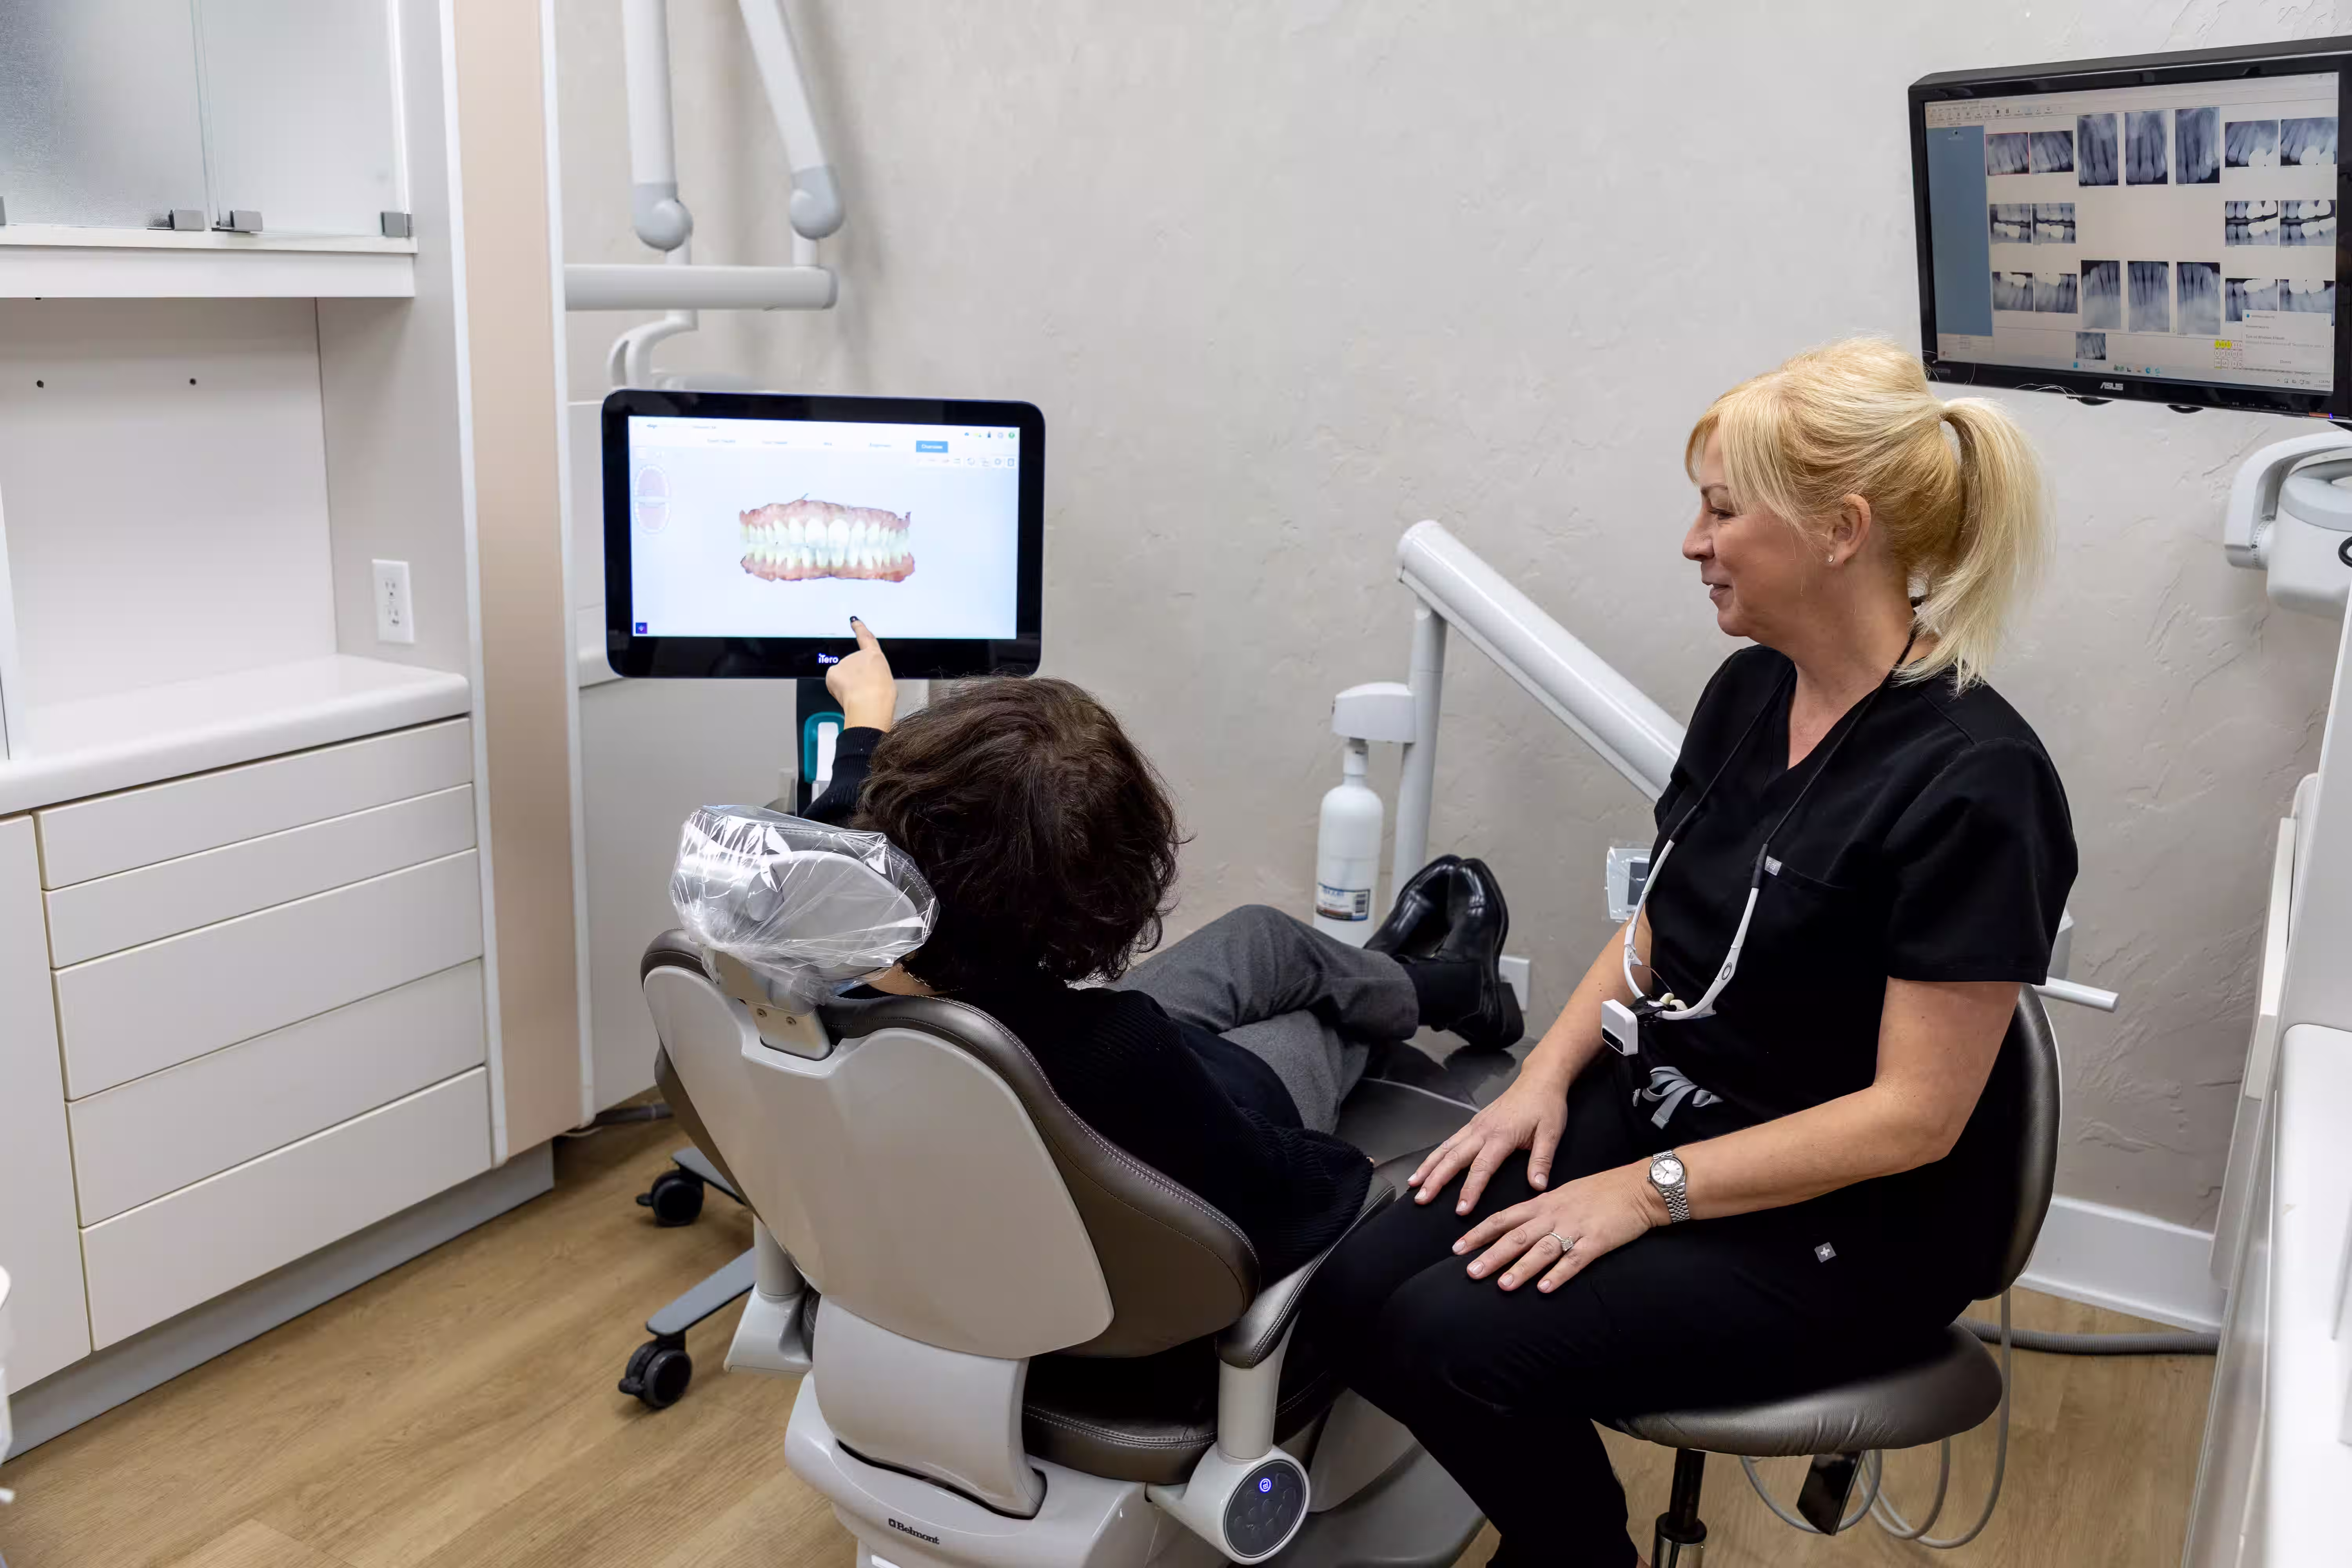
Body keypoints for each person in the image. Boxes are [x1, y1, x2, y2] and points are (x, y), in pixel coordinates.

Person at [1301, 338, 2078, 1567]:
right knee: (1350, 1299)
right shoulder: (1747, 695)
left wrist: (1641, 1195)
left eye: (1722, 510)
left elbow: (1915, 1123)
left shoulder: (1981, 784)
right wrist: (1544, 1080)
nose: (1691, 541)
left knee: (1453, 1339)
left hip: (1859, 1217)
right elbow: (1661, 926)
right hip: (1680, 1107)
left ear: (1841, 531)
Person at [803, 633, 1523, 1279]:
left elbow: (837, 834)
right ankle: (1418, 990)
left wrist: (867, 720)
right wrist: (1362, 1175)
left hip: (1050, 1044)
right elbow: (1270, 1189)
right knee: (1324, 1027)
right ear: (1112, 894)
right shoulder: (1119, 1049)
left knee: (1262, 936)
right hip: (1218, 1109)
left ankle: (1417, 980)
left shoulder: (815, 949)